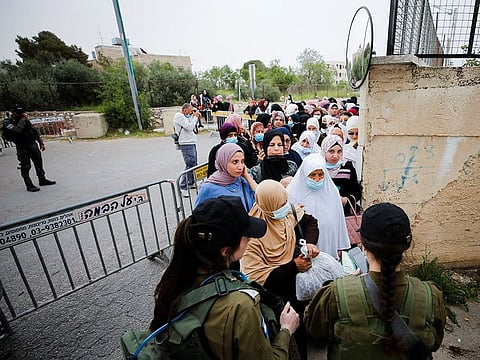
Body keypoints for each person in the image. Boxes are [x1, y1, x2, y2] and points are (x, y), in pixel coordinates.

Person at [150, 196, 300, 360]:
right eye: (246, 236)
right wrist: (286, 329)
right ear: (225, 251)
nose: (250, 239)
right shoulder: (242, 306)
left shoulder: (173, 278)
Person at [304, 202, 447, 359]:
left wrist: (349, 283)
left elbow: (314, 329)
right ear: (406, 246)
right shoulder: (431, 297)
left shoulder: (336, 293)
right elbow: (434, 343)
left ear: (364, 246)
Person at [241, 180, 344, 360]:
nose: (285, 207)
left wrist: (310, 242)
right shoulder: (253, 237)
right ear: (267, 204)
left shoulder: (288, 212)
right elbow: (258, 280)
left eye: (284, 202)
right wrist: (293, 267)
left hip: (299, 289)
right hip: (277, 298)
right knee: (289, 340)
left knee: (303, 328)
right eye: (280, 204)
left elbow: (311, 222)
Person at [287, 154, 351, 259]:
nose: (317, 179)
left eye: (321, 174)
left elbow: (339, 220)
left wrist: (340, 246)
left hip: (329, 243)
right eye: (312, 175)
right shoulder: (292, 193)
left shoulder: (331, 192)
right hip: (303, 247)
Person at [2, 107, 55, 192]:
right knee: (26, 166)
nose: (22, 114)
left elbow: (33, 131)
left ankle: (42, 179)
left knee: (38, 163)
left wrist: (40, 142)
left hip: (32, 144)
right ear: (14, 113)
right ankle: (28, 184)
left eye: (22, 113)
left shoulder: (24, 119)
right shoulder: (8, 122)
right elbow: (17, 130)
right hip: (22, 146)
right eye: (19, 113)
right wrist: (22, 120)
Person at [196, 143, 257, 211]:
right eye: (235, 162)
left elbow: (261, 198)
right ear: (223, 162)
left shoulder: (244, 181)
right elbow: (198, 214)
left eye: (242, 162)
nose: (240, 167)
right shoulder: (209, 188)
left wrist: (247, 177)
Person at [321, 135, 362, 215]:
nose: (335, 156)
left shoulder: (347, 167)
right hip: (322, 212)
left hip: (344, 212)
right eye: (331, 151)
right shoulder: (319, 168)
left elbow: (356, 191)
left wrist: (346, 200)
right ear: (324, 150)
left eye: (339, 151)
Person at [174, 103, 201, 197]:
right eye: (190, 111)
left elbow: (192, 126)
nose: (191, 113)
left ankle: (191, 182)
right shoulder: (179, 116)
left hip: (191, 142)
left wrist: (194, 117)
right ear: (185, 110)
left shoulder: (186, 117)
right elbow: (189, 127)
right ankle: (183, 186)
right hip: (185, 143)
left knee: (194, 164)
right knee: (190, 164)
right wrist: (195, 118)